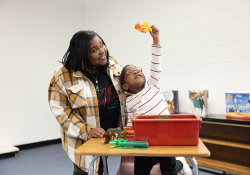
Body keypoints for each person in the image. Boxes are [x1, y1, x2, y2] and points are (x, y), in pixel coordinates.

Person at [48, 30, 126, 175]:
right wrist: (87, 130)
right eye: (94, 50)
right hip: (84, 137)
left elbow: (127, 91)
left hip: (115, 133)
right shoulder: (63, 74)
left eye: (102, 45)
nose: (102, 51)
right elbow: (61, 111)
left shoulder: (112, 64)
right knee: (89, 170)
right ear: (82, 54)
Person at [120, 26, 191, 175]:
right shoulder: (130, 101)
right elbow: (131, 122)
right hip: (145, 142)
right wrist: (128, 137)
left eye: (138, 69)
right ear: (125, 86)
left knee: (168, 171)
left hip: (166, 138)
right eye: (131, 73)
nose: (136, 72)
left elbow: (156, 63)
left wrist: (156, 39)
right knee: (139, 172)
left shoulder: (153, 84)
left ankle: (180, 164)